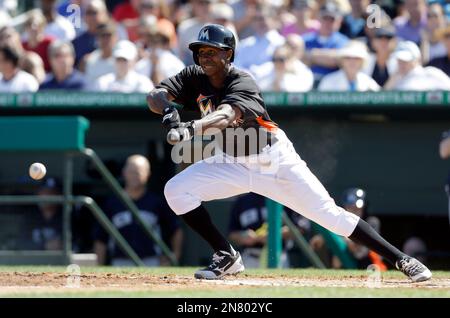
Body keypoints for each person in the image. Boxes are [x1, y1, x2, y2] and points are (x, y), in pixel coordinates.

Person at [146, 24, 432, 281]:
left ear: (229, 54)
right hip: (231, 161)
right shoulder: (194, 76)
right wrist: (168, 108)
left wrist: (191, 127)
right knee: (176, 190)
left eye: (212, 51)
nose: (204, 57)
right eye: (200, 51)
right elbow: (154, 95)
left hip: (273, 161)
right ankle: (226, 255)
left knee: (331, 216)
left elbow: (225, 114)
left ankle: (402, 259)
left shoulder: (242, 81)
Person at [94, 154, 183, 266]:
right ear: (124, 173)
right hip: (120, 262)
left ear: (148, 174)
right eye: (131, 171)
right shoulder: (112, 203)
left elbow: (175, 229)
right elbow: (101, 238)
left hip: (151, 261)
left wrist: (175, 255)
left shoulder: (157, 202)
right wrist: (99, 265)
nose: (134, 175)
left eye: (139, 171)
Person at [302, 1, 349, 83]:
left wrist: (310, 55)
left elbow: (337, 60)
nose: (328, 23)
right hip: (307, 82)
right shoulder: (306, 39)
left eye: (332, 19)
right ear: (319, 18)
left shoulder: (343, 41)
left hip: (333, 85)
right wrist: (327, 56)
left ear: (339, 21)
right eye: (325, 18)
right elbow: (300, 59)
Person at [384, 40, 450, 90]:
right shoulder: (395, 79)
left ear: (417, 59)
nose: (402, 63)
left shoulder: (431, 73)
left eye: (406, 60)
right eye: (399, 60)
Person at [82, 21, 118, 85]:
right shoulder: (88, 60)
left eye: (109, 35)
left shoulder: (123, 59)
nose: (106, 39)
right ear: (97, 38)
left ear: (116, 37)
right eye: (102, 35)